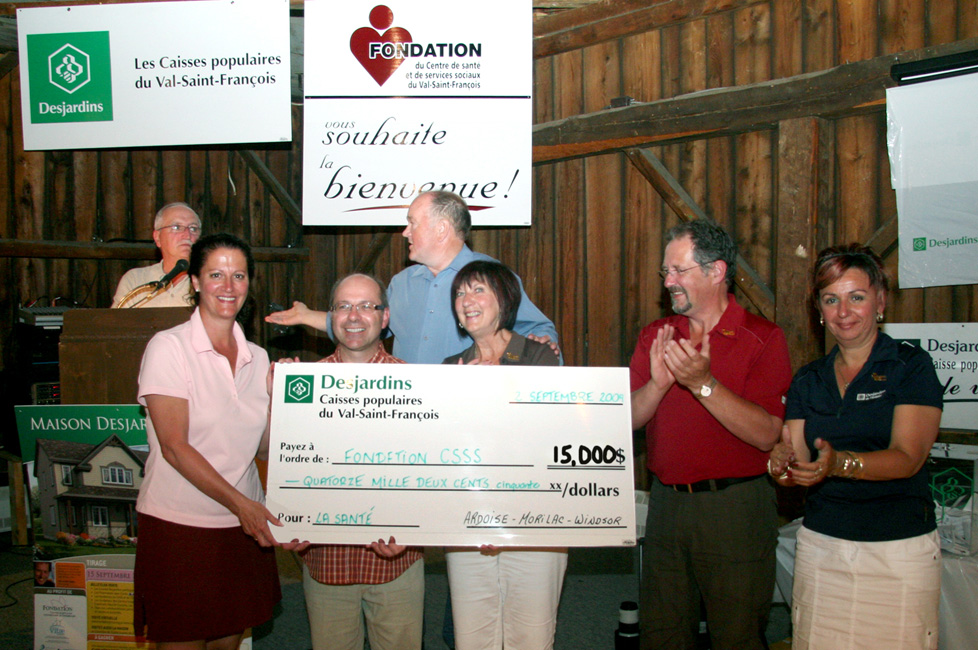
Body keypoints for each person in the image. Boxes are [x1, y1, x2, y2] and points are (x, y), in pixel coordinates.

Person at [767, 244, 943, 650]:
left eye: (856, 297)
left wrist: (840, 464)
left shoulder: (910, 366)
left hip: (898, 552)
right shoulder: (808, 379)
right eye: (831, 300)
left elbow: (908, 457)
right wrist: (782, 465)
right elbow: (798, 465)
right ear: (819, 309)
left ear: (880, 301)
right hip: (823, 549)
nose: (843, 311)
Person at [133, 233, 303, 649]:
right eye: (216, 275)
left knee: (229, 641)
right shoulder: (168, 348)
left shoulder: (258, 357)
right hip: (182, 524)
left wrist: (276, 402)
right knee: (182, 642)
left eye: (239, 276)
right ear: (195, 281)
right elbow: (175, 448)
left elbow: (263, 448)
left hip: (241, 527)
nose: (228, 286)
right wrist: (242, 505)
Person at [629, 220, 792, 650]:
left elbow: (767, 435)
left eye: (678, 270)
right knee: (661, 635)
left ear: (716, 271)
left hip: (735, 508)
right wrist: (659, 384)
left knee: (737, 635)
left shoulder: (763, 337)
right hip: (666, 505)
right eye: (665, 271)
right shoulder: (657, 336)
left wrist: (703, 384)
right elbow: (628, 419)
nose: (668, 281)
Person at [265, 190, 558, 363]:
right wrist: (306, 316)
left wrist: (543, 342)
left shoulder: (491, 279)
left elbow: (538, 330)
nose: (405, 232)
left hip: (466, 409)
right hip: (408, 412)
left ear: (441, 229)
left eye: (412, 223)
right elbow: (367, 323)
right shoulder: (401, 283)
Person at [297, 273, 424, 650]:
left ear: (384, 317)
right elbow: (292, 464)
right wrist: (292, 517)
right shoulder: (304, 385)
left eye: (367, 306)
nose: (354, 316)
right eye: (343, 306)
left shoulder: (418, 386)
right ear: (331, 317)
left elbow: (429, 474)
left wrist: (414, 532)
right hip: (326, 561)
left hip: (396, 561)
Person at [442, 260, 564, 650]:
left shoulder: (540, 357)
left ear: (505, 300)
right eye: (460, 293)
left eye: (478, 290)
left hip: (534, 525)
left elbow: (546, 443)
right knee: (471, 637)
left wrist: (488, 396)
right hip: (468, 525)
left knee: (532, 635)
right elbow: (445, 454)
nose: (467, 300)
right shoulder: (449, 369)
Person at [112, 202, 201, 308]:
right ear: (157, 237)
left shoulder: (209, 280)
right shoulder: (136, 280)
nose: (187, 235)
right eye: (177, 227)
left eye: (193, 228)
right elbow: (117, 318)